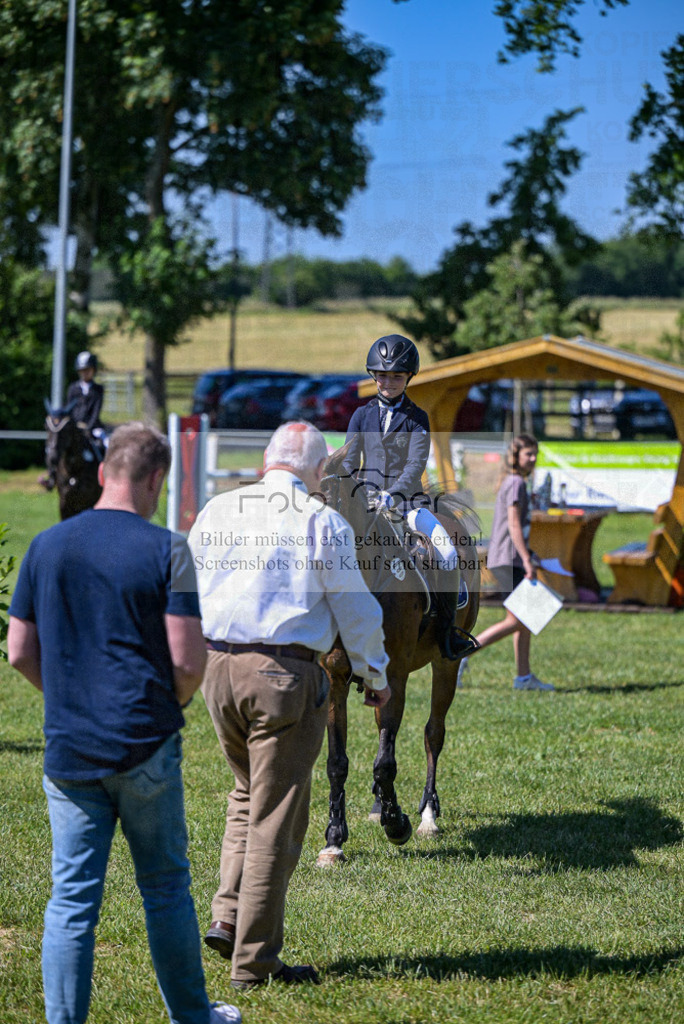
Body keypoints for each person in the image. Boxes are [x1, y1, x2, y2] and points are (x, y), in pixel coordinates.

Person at [8, 422, 241, 1024]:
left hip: (69, 753)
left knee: (71, 901)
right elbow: (188, 661)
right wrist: (169, 705)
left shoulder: (45, 545)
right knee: (164, 888)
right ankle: (193, 1016)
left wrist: (65, 696)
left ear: (106, 468)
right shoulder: (167, 548)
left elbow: (17, 651)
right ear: (157, 478)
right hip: (146, 745)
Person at [188, 421, 391, 991]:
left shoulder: (216, 510)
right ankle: (254, 965)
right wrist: (376, 675)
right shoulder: (320, 519)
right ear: (318, 471)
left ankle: (227, 915)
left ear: (266, 459)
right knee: (276, 817)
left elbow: (186, 587)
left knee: (246, 794)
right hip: (283, 674)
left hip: (216, 669)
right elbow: (353, 607)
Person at [342, 333, 478, 660]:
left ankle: (447, 633)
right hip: (365, 504)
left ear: (408, 377)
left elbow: (416, 464)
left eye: (396, 376)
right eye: (383, 375)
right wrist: (348, 487)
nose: (388, 382)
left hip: (409, 505)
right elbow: (349, 459)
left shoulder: (418, 418)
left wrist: (392, 495)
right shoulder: (361, 416)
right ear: (374, 375)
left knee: (445, 553)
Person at [458, 433, 555, 691]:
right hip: (509, 559)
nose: (533, 459)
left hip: (509, 557)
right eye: (528, 454)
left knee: (524, 619)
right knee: (517, 620)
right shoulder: (516, 483)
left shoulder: (514, 482)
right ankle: (463, 654)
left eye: (535, 454)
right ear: (515, 457)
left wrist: (529, 554)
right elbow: (513, 524)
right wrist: (526, 559)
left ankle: (524, 678)